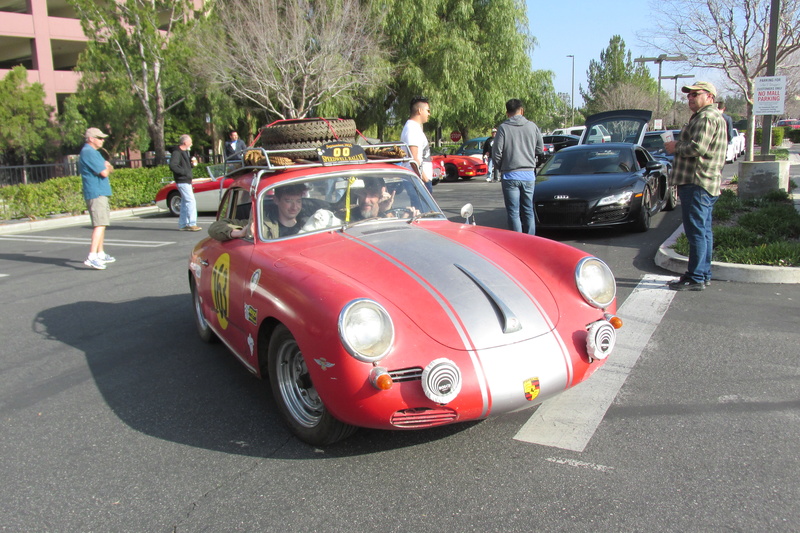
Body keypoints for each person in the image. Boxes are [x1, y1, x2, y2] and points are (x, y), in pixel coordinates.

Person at [664, 81, 728, 291]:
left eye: (695, 94)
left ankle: (696, 277)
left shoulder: (706, 117)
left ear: (709, 96)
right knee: (704, 231)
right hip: (705, 182)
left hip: (696, 182)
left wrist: (675, 147)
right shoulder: (711, 116)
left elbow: (697, 147)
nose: (690, 98)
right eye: (689, 95)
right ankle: (703, 273)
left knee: (696, 232)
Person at [492, 98, 544, 235]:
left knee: (513, 212)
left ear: (507, 113)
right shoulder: (533, 127)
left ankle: (518, 241)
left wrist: (500, 167)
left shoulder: (503, 128)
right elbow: (540, 149)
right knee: (528, 210)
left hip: (510, 175)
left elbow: (496, 152)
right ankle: (531, 241)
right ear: (522, 110)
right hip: (528, 175)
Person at [208, 183, 308, 241]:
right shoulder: (262, 224)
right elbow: (215, 227)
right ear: (276, 200)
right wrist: (240, 233)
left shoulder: (309, 222)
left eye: (298, 201)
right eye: (288, 201)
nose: (295, 207)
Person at [79, 127, 116, 270]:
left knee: (102, 223)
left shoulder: (95, 153)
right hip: (96, 192)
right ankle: (92, 256)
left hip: (100, 191)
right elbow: (104, 172)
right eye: (99, 138)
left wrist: (107, 166)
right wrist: (107, 167)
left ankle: (100, 253)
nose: (102, 140)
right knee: (99, 224)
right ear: (90, 139)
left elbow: (107, 167)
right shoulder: (88, 152)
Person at [400, 97, 434, 193]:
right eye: (427, 110)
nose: (429, 114)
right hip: (417, 181)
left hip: (419, 180)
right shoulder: (412, 129)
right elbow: (413, 158)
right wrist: (424, 179)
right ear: (419, 110)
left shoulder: (414, 127)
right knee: (421, 208)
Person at [169, 134, 200, 231]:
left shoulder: (184, 152)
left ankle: (183, 224)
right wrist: (184, 172)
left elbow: (182, 165)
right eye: (190, 142)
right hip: (182, 180)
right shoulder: (177, 152)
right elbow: (173, 165)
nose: (191, 144)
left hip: (185, 180)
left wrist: (191, 165)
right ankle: (192, 223)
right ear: (185, 142)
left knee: (184, 202)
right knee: (191, 201)